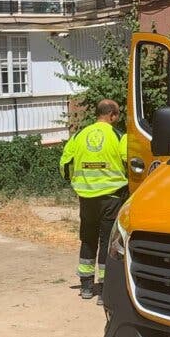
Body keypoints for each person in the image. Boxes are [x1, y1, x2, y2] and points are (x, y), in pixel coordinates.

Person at [61, 99, 129, 303]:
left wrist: (76, 182)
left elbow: (65, 163)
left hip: (86, 197)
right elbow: (131, 162)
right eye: (117, 115)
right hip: (112, 196)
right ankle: (105, 289)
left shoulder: (79, 136)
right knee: (108, 241)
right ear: (112, 115)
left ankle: (86, 286)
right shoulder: (119, 136)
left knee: (88, 239)